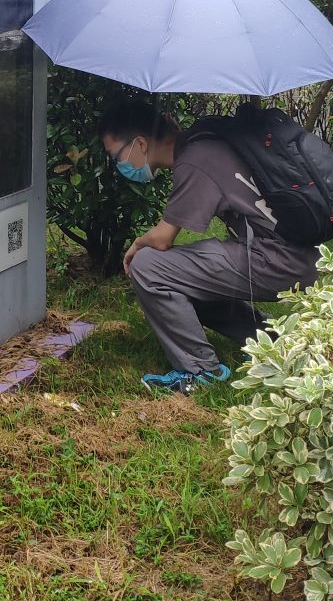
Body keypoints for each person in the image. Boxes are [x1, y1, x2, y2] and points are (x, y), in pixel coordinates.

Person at [98, 100, 321, 394]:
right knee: (180, 274)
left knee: (149, 266)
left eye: (117, 156)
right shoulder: (203, 143)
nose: (119, 165)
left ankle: (200, 371)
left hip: (278, 260)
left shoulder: (195, 159)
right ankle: (271, 342)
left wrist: (137, 244)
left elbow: (163, 238)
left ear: (140, 144)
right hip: (295, 255)